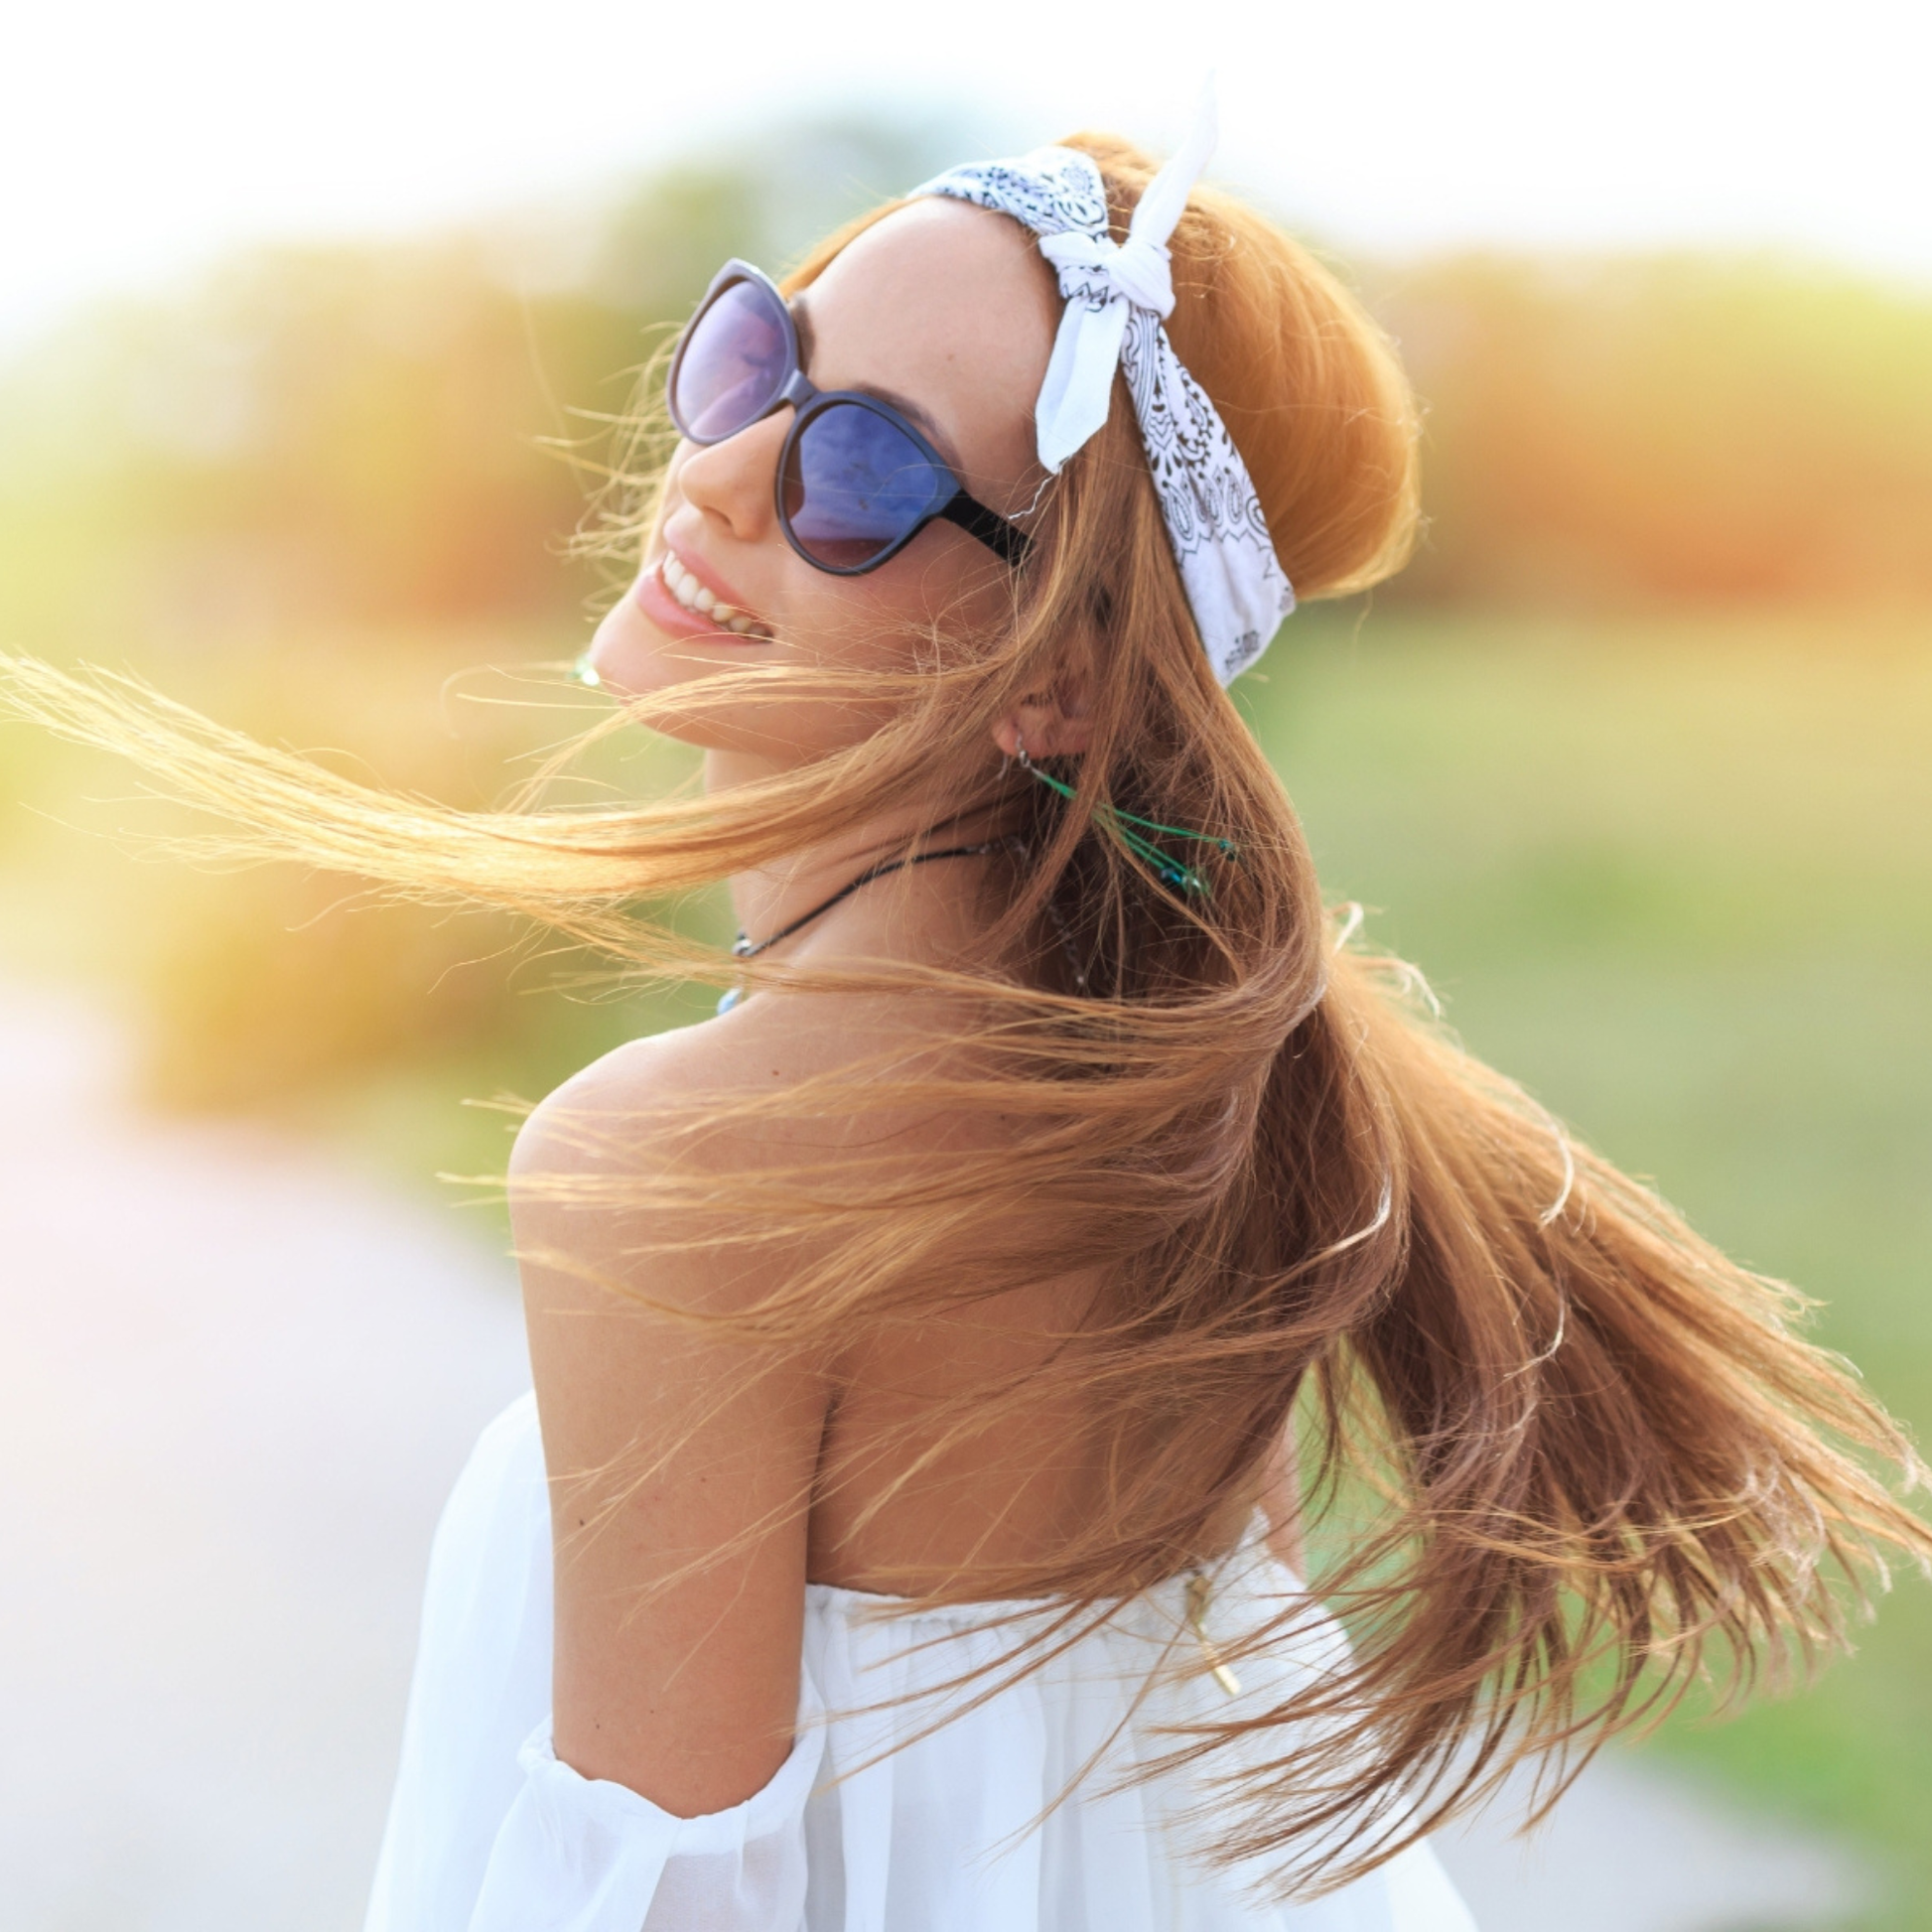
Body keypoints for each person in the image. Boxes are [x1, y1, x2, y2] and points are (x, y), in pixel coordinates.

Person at [6, 103, 1926, 1932]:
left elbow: (671, 1891)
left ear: (1060, 688)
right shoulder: (1187, 1099)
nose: (732, 470)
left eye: (864, 474)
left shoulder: (685, 1166)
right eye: (759, 356)